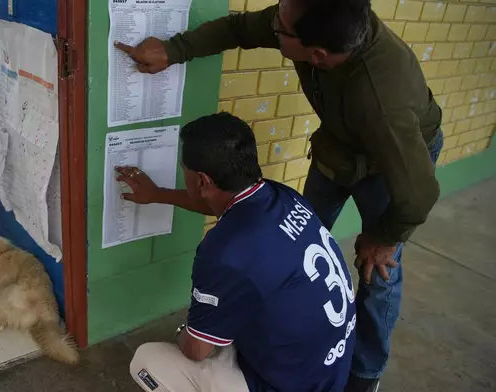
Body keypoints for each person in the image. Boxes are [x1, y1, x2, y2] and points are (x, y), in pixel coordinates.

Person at [115, 0, 444, 390]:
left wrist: (385, 238)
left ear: (317, 54)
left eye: (282, 30)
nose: (273, 25)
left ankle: (364, 377)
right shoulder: (281, 197)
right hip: (339, 146)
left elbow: (419, 193)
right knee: (297, 249)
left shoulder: (380, 102)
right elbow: (238, 30)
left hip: (398, 165)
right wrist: (175, 50)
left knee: (380, 273)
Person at [120, 112, 356, 392]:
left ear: (202, 181)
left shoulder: (224, 253)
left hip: (286, 384)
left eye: (184, 168)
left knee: (147, 361)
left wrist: (185, 331)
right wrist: (158, 194)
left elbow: (196, 350)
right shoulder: (280, 196)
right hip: (326, 372)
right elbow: (220, 206)